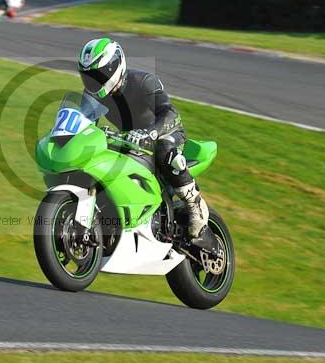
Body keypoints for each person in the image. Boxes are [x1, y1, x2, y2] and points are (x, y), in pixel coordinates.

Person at [78, 37, 220, 256]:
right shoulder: (93, 96)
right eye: (89, 76)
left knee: (165, 152)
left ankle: (194, 206)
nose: (94, 81)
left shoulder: (143, 81)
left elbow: (171, 113)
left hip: (166, 133)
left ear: (114, 66)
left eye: (98, 75)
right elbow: (84, 123)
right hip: (128, 139)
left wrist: (149, 132)